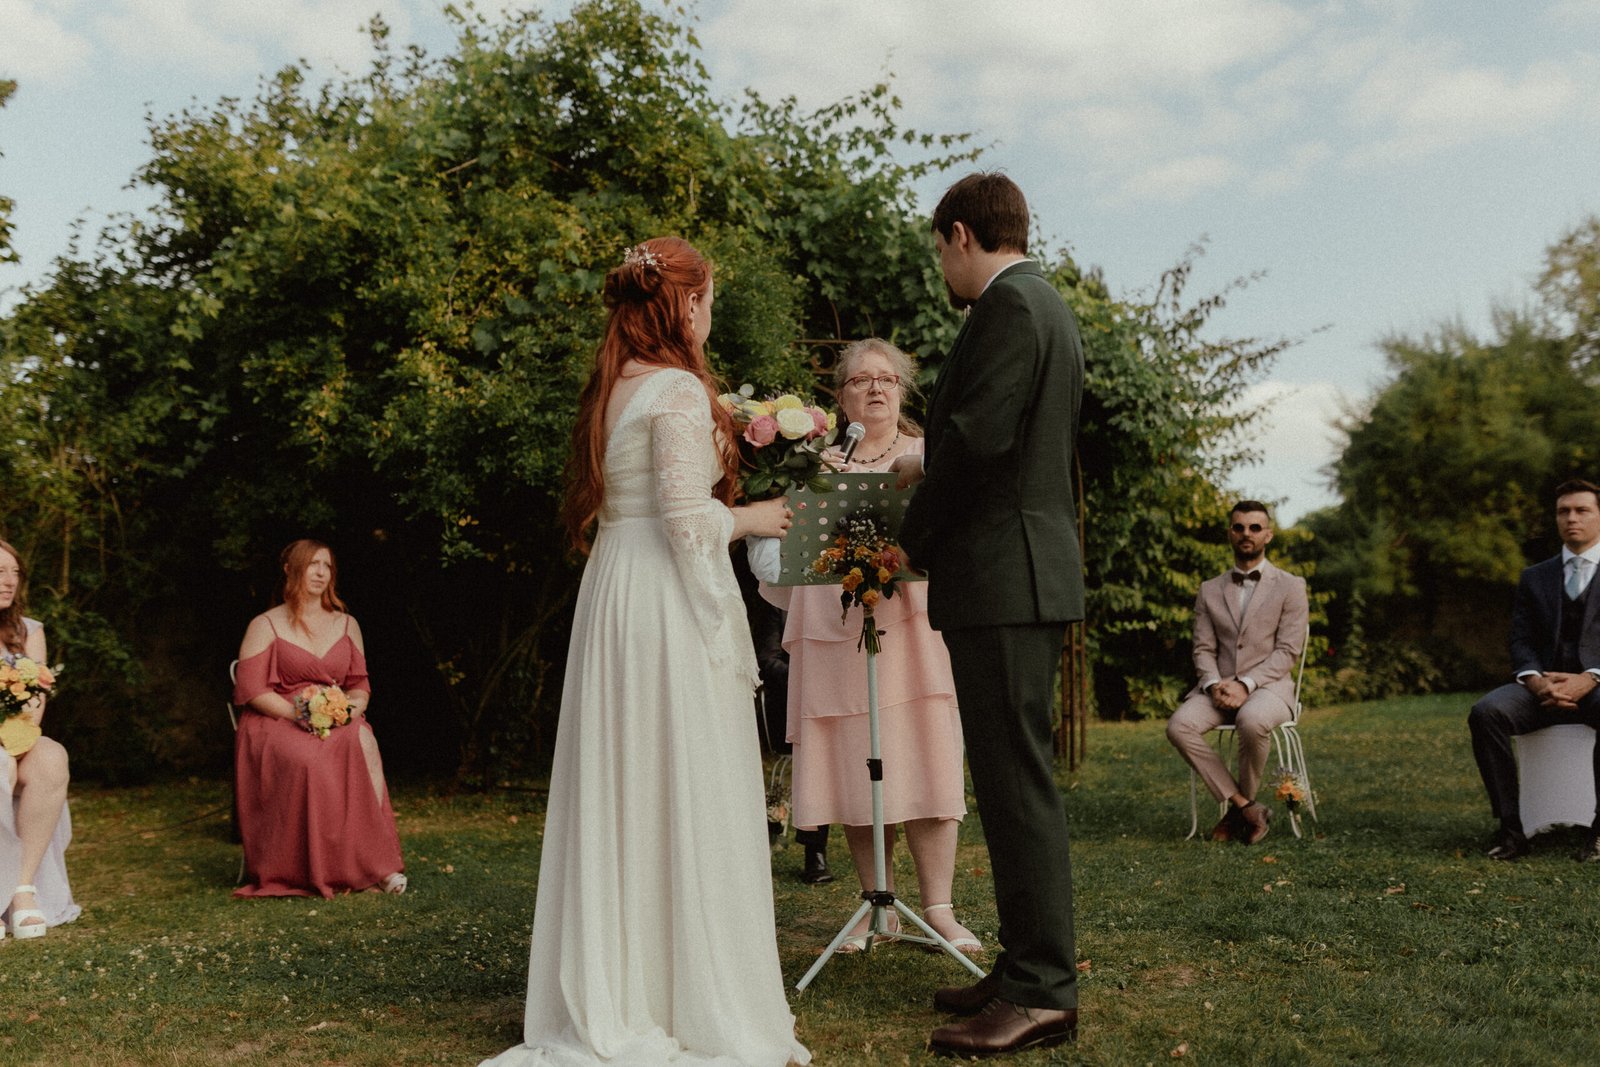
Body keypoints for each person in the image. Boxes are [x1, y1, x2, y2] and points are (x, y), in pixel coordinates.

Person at [482, 238, 808, 1067]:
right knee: (680, 772)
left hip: (615, 587)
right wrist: (756, 516)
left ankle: (627, 975)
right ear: (685, 305)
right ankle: (679, 989)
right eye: (709, 301)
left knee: (628, 776)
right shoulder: (674, 389)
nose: (711, 316)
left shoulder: (613, 385)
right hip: (660, 595)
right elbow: (686, 518)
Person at [894, 172, 1082, 1055]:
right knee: (1009, 782)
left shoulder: (1009, 307)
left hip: (1007, 575)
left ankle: (1043, 990)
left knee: (1016, 784)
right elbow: (986, 439)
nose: (943, 267)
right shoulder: (1043, 304)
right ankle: (1020, 966)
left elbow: (978, 441)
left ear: (961, 235)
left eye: (941, 249)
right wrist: (926, 461)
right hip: (1018, 573)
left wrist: (911, 535)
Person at [761, 338, 978, 954]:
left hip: (914, 624)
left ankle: (939, 908)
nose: (876, 388)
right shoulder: (816, 462)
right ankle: (874, 903)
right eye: (861, 380)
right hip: (836, 625)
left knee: (925, 750)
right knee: (854, 755)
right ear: (841, 396)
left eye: (887, 379)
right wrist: (808, 492)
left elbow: (960, 533)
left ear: (903, 391)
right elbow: (779, 549)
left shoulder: (928, 456)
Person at [231, 539, 406, 897]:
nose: (321, 572)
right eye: (312, 564)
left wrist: (350, 710)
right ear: (289, 569)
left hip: (335, 717)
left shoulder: (347, 624)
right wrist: (300, 713)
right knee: (310, 760)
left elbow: (359, 684)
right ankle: (319, 866)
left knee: (364, 741)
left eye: (327, 565)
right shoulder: (266, 624)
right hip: (277, 718)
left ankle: (378, 864)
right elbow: (252, 689)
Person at [1469, 478, 1600, 862]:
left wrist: (1590, 677)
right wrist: (1536, 680)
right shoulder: (1535, 576)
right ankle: (1511, 830)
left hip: (1596, 685)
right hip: (1539, 688)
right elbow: (1521, 640)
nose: (1571, 518)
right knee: (1486, 713)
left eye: (1582, 510)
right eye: (1563, 511)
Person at [1166, 501, 1309, 845]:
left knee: (1251, 719)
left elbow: (1288, 651)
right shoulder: (1209, 589)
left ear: (1268, 535)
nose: (1247, 533)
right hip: (1218, 688)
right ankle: (1247, 806)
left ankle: (1236, 814)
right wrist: (1214, 684)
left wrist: (1245, 684)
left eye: (1255, 527)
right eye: (1239, 527)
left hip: (1269, 688)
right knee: (1179, 726)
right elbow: (1203, 648)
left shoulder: (1291, 586)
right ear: (1230, 533)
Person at [736, 544, 834, 885]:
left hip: (835, 694)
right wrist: (805, 677)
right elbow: (768, 658)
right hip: (793, 699)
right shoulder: (778, 601)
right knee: (813, 754)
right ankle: (814, 852)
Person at [0, 539, 79, 939]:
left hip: (16, 736)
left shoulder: (28, 631)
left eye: (15, 572)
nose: (9, 581)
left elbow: (34, 706)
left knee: (51, 756)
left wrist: (12, 742)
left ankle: (21, 888)